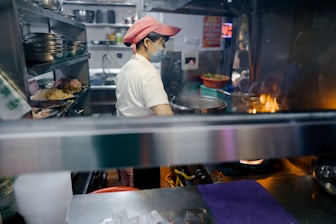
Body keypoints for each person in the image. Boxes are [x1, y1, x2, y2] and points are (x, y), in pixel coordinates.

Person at [115, 16, 181, 189]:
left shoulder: (125, 69)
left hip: (123, 149)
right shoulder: (148, 74)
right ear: (146, 42)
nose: (164, 49)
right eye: (162, 43)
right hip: (142, 153)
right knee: (145, 203)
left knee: (129, 199)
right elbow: (167, 119)